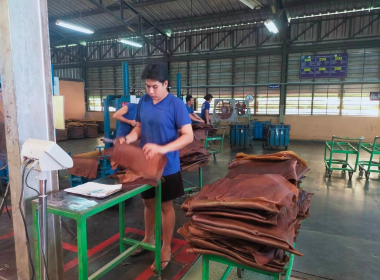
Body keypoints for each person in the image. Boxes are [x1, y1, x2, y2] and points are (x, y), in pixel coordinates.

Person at [119, 63, 193, 272]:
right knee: (149, 204)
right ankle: (149, 238)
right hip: (146, 166)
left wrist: (162, 149)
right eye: (147, 87)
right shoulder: (144, 101)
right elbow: (140, 128)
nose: (150, 91)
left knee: (166, 207)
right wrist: (128, 138)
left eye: (155, 87)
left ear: (166, 84)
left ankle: (166, 247)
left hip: (167, 167)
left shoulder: (176, 104)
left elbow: (188, 136)